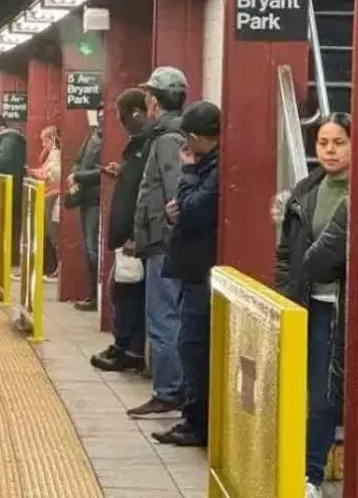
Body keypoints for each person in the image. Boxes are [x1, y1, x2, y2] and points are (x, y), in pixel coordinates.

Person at [273, 113, 352, 496]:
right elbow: (287, 252)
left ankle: (311, 474)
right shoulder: (306, 190)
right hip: (308, 304)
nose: (330, 150)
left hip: (342, 306)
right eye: (323, 143)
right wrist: (284, 293)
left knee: (324, 395)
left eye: (339, 142)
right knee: (303, 391)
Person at [152, 100, 221, 447]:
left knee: (193, 346)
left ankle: (197, 422)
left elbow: (192, 210)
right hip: (193, 270)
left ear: (196, 138)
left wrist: (188, 174)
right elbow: (180, 209)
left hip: (201, 272)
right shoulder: (207, 167)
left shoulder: (212, 170)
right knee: (190, 343)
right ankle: (193, 417)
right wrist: (172, 212)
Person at [127, 66, 188, 417]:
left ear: (154, 100)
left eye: (149, 95)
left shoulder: (166, 138)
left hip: (163, 245)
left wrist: (155, 233)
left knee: (163, 318)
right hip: (165, 242)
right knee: (169, 316)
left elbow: (173, 192)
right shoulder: (172, 133)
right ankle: (173, 388)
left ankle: (168, 391)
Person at [90, 88, 155, 372]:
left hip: (136, 235)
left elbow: (146, 193)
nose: (120, 122)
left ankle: (128, 349)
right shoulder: (139, 143)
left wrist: (133, 235)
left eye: (121, 116)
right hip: (130, 233)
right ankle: (127, 346)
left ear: (137, 113)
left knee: (126, 291)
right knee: (124, 290)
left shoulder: (150, 142)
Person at [66, 107, 104, 310]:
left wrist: (79, 177)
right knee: (89, 248)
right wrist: (74, 176)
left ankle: (97, 297)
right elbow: (78, 160)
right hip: (86, 198)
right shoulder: (91, 137)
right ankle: (92, 295)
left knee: (93, 249)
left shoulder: (109, 140)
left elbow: (103, 169)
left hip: (98, 200)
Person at [17, 125, 62, 280]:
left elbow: (53, 175)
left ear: (52, 139)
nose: (43, 144)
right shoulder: (52, 155)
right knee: (50, 235)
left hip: (51, 196)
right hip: (49, 195)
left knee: (53, 234)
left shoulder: (55, 155)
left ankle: (58, 269)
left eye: (44, 140)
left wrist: (33, 172)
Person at [0, 115, 27, 264]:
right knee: (7, 223)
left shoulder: (9, 141)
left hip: (7, 190)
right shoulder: (11, 141)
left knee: (3, 224)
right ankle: (4, 256)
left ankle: (2, 257)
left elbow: (3, 161)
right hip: (11, 188)